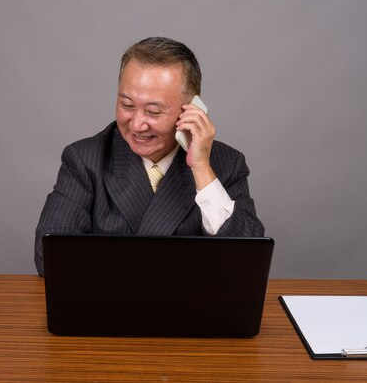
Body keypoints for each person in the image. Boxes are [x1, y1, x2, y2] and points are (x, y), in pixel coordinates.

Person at [34, 37, 264, 275]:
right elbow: (49, 259)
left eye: (154, 111)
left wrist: (201, 168)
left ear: (192, 110)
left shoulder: (227, 164)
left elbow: (248, 264)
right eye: (127, 105)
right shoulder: (84, 159)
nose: (137, 125)